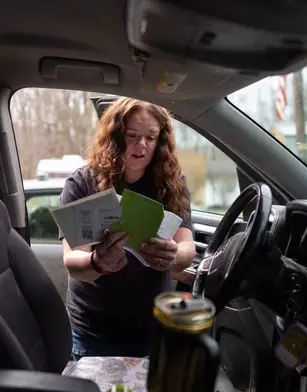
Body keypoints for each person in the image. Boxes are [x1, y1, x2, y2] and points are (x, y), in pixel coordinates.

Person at [59, 97, 196, 360]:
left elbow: (187, 249)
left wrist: (172, 255)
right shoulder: (83, 183)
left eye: (151, 137)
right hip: (95, 332)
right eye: (132, 135)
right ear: (116, 136)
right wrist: (97, 262)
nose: (141, 145)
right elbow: (73, 261)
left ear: (160, 141)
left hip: (154, 328)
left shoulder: (171, 183)